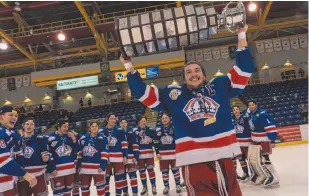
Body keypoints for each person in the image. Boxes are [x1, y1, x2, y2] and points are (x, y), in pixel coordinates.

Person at [121, 25, 253, 195]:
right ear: (183, 79)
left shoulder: (220, 85)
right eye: (188, 72)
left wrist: (241, 33)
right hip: (194, 162)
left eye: (197, 70)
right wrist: (128, 66)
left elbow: (244, 69)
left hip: (224, 157)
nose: (194, 74)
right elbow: (142, 93)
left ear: (204, 75)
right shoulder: (173, 94)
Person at [0, 106, 37, 196]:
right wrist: (24, 174)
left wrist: (21, 169)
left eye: (16, 116)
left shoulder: (12, 134)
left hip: (10, 180)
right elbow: (2, 161)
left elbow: (18, 153)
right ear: (1, 117)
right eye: (10, 115)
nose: (14, 117)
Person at [247, 100, 280, 188]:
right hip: (256, 140)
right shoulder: (251, 114)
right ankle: (268, 176)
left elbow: (270, 126)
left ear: (256, 105)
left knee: (265, 158)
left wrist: (272, 140)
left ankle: (274, 178)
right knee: (260, 159)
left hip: (263, 140)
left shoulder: (262, 114)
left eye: (253, 105)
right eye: (249, 105)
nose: (251, 106)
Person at [18, 118, 50, 196]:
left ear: (35, 127)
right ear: (23, 126)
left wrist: (46, 157)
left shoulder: (41, 139)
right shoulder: (18, 141)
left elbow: (45, 153)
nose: (29, 126)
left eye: (32, 124)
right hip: (23, 175)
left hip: (38, 174)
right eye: (27, 124)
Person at [99, 113, 128, 196]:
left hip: (118, 158)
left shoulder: (120, 130)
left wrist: (125, 156)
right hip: (105, 159)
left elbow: (124, 144)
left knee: (119, 178)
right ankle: (107, 194)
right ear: (107, 120)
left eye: (114, 119)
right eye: (112, 118)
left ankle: (118, 194)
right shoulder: (101, 131)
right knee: (106, 179)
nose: (113, 120)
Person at [77, 121, 109, 196]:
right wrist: (78, 165)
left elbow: (105, 153)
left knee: (100, 188)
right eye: (92, 126)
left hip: (98, 168)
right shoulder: (83, 138)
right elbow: (79, 153)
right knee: (84, 189)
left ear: (98, 128)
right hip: (85, 168)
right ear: (89, 128)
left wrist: (102, 166)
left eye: (96, 126)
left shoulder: (103, 138)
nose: (94, 128)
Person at [47, 119, 77, 196]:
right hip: (57, 170)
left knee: (68, 192)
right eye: (64, 126)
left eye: (67, 126)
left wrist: (74, 140)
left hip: (70, 169)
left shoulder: (70, 136)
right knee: (58, 192)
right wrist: (51, 168)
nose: (66, 128)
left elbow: (76, 151)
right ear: (58, 127)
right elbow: (48, 154)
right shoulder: (50, 138)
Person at [154, 112, 182, 195]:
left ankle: (178, 185)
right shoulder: (158, 129)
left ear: (169, 119)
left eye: (166, 118)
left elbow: (178, 139)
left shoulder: (174, 128)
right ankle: (166, 186)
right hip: (162, 155)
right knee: (164, 172)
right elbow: (156, 141)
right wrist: (157, 152)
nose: (164, 119)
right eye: (163, 118)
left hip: (173, 153)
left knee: (175, 170)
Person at [133, 116, 157, 195]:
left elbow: (155, 140)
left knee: (151, 170)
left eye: (145, 121)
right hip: (139, 155)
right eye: (142, 121)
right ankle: (145, 187)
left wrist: (152, 140)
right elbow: (132, 141)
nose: (144, 122)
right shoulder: (135, 130)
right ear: (139, 122)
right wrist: (138, 135)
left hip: (149, 154)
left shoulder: (150, 130)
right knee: (142, 172)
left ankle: (153, 186)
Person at [231, 106, 252, 182]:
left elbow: (251, 126)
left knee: (249, 159)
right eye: (234, 110)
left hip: (246, 142)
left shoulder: (245, 117)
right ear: (232, 112)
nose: (235, 111)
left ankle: (253, 174)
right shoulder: (232, 120)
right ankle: (246, 173)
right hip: (238, 143)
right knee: (241, 159)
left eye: (237, 109)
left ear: (239, 110)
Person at [119, 118, 139, 196]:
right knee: (123, 177)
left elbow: (135, 145)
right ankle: (125, 192)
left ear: (127, 124)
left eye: (125, 122)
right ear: (120, 124)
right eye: (122, 122)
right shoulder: (118, 133)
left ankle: (135, 193)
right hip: (121, 158)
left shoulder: (131, 132)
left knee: (133, 176)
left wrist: (136, 157)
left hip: (131, 157)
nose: (123, 124)